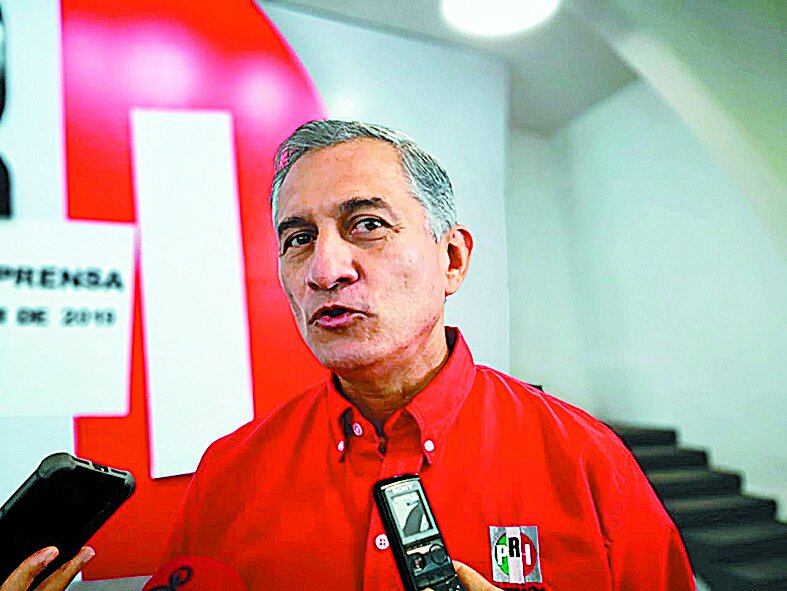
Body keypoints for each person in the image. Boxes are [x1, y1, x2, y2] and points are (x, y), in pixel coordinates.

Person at [2, 120, 694, 590]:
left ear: (452, 259)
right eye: (298, 238)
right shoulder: (228, 472)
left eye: (366, 224)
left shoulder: (586, 463)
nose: (325, 269)